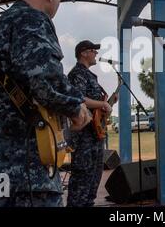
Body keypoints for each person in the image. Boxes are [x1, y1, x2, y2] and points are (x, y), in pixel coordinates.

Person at [0, 0, 91, 207]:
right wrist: (76, 107)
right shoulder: (32, 19)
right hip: (25, 170)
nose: (58, 5)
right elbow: (44, 81)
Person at [67, 40, 114, 207]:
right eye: (93, 50)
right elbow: (78, 99)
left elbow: (94, 106)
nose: (96, 53)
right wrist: (102, 104)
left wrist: (105, 108)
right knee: (82, 179)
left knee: (93, 179)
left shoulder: (90, 75)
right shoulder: (77, 74)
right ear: (83, 53)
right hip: (83, 136)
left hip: (95, 134)